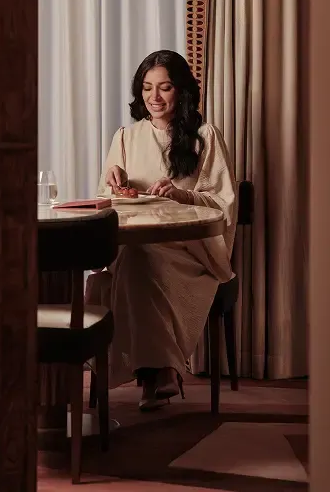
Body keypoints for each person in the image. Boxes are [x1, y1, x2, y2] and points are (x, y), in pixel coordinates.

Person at [85, 50, 237, 411]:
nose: (154, 97)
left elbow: (224, 203)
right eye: (147, 88)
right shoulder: (125, 137)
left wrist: (182, 194)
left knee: (137, 263)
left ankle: (156, 373)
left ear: (180, 91)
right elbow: (108, 203)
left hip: (190, 249)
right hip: (137, 243)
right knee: (135, 257)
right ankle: (162, 371)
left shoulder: (204, 136)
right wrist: (112, 181)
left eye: (164, 88)